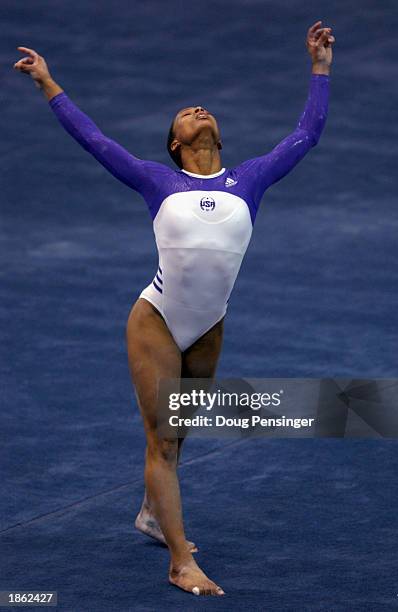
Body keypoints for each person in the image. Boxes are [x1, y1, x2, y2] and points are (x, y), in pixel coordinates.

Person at [13, 20, 335, 596]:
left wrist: (320, 68)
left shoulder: (250, 179)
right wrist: (48, 82)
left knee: (183, 430)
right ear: (174, 142)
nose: (198, 110)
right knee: (161, 440)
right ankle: (179, 560)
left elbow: (305, 135)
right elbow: (95, 141)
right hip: (156, 317)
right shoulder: (157, 180)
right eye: (186, 114)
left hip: (210, 323)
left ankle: (149, 514)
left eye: (202, 110)